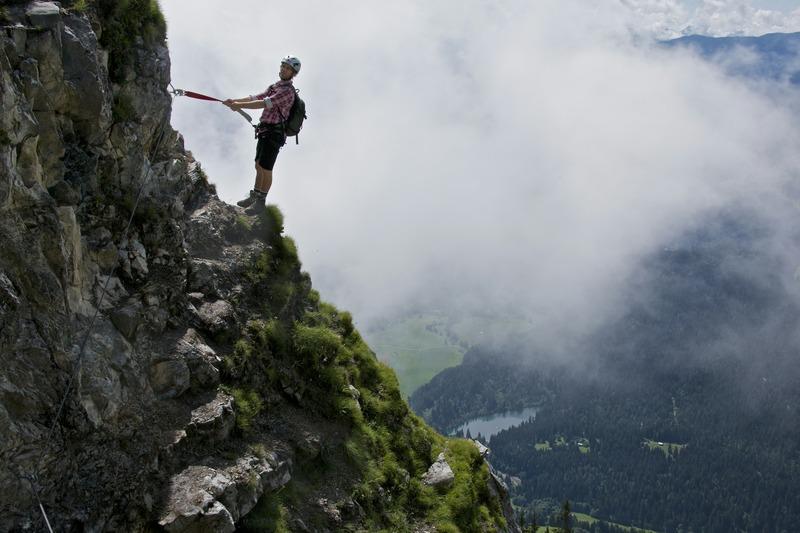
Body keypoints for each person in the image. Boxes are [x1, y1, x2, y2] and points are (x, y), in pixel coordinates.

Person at [224, 55, 301, 214]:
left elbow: (264, 103)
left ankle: (260, 202)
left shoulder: (287, 92)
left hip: (274, 134)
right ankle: (255, 196)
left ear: (293, 74)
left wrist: (239, 105)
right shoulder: (276, 86)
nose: (283, 69)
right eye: (283, 66)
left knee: (266, 168)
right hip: (266, 130)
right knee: (258, 165)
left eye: (288, 68)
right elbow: (257, 97)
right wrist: (235, 101)